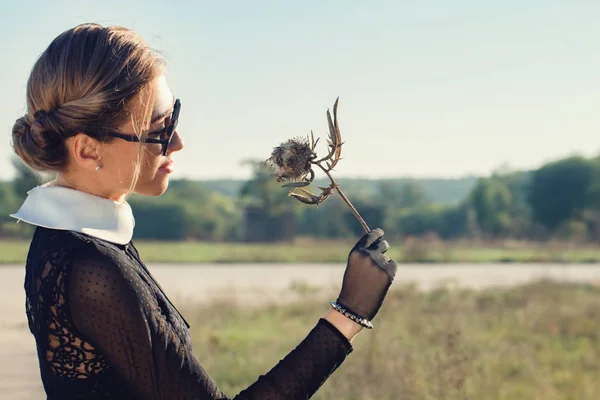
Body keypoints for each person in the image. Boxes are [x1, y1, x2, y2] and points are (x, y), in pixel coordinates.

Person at [10, 23, 398, 400]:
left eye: (174, 116)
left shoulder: (75, 240)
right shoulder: (92, 268)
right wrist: (347, 314)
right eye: (160, 128)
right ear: (87, 149)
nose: (177, 142)